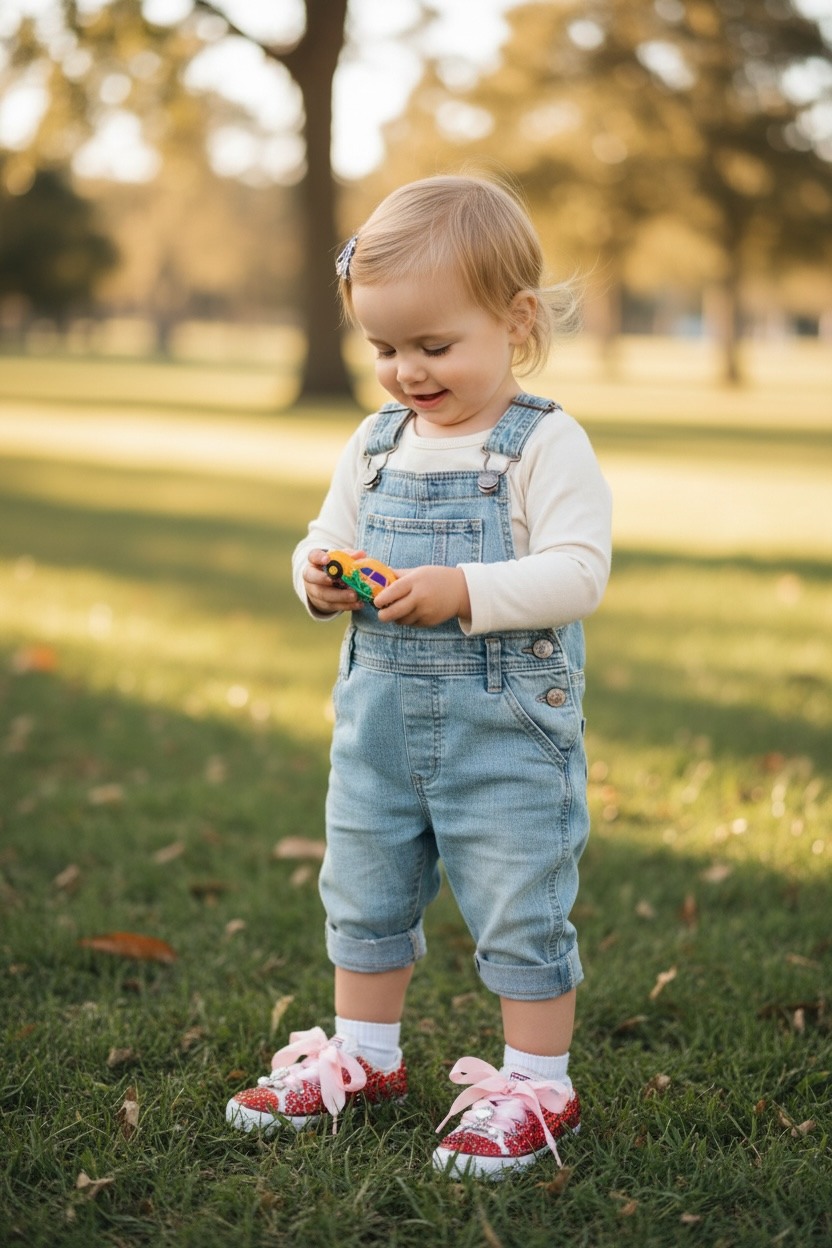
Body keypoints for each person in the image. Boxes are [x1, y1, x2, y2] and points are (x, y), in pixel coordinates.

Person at [227, 175, 612, 1179]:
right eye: (384, 348)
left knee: (520, 900)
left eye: (433, 347)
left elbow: (580, 571)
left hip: (506, 732)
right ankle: (365, 1056)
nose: (406, 371)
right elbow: (327, 536)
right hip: (379, 730)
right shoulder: (374, 442)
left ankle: (537, 1080)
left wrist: (464, 588)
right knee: (362, 892)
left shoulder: (541, 442)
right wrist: (314, 576)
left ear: (514, 322)